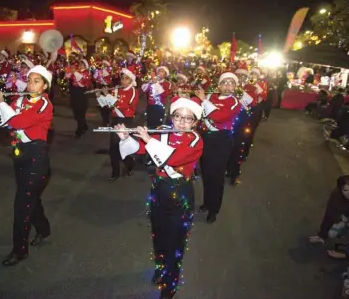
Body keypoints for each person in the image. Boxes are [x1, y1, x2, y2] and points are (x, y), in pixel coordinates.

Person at [115, 95, 203, 299]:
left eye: (188, 118)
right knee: (159, 234)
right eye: (178, 116)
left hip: (180, 193)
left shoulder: (196, 140)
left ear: (195, 122)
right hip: (159, 189)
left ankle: (169, 286)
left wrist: (148, 139)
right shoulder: (163, 132)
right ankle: (161, 267)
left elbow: (174, 158)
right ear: (172, 117)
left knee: (175, 241)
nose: (181, 122)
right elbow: (143, 150)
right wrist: (126, 138)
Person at [0, 65, 53, 266]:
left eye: (36, 81)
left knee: (21, 205)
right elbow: (1, 123)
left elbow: (18, 122)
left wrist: (1, 103)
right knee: (31, 198)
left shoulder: (44, 104)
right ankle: (44, 230)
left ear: (44, 86)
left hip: (37, 157)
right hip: (20, 155)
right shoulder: (18, 100)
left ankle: (20, 250)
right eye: (29, 80)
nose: (31, 84)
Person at [195, 72, 242, 223]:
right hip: (207, 138)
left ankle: (214, 209)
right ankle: (207, 202)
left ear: (235, 86)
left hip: (222, 140)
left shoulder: (235, 102)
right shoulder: (211, 97)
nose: (227, 86)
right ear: (219, 85)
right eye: (224, 83)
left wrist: (203, 100)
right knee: (207, 173)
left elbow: (219, 116)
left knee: (216, 176)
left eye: (231, 83)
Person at [99, 68, 139, 181]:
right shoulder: (116, 89)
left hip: (126, 120)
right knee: (113, 148)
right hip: (115, 119)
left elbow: (124, 105)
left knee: (124, 147)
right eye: (122, 78)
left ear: (131, 80)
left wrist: (108, 96)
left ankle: (130, 163)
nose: (123, 81)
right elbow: (108, 105)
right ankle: (115, 172)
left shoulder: (133, 92)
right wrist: (100, 96)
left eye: (127, 79)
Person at [309, 175, 349, 244]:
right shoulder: (336, 197)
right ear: (340, 190)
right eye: (345, 190)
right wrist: (322, 235)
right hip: (348, 216)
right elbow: (328, 216)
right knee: (332, 234)